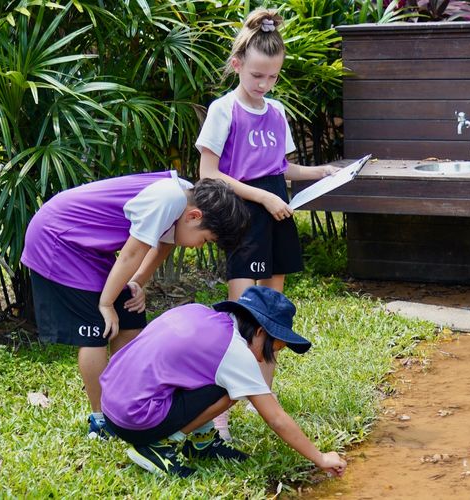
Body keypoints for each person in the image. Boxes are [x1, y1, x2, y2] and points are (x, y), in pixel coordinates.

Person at [196, 8, 340, 439]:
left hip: (277, 214)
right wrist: (262, 196)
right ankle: (218, 414)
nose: (264, 85)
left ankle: (263, 402)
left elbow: (282, 168)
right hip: (246, 217)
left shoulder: (275, 112)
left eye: (273, 77)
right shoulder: (224, 110)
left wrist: (320, 172)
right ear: (238, 64)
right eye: (257, 75)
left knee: (270, 321)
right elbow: (208, 173)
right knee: (243, 317)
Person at [20, 171, 249, 439]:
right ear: (194, 216)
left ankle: (123, 405)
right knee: (97, 330)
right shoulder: (168, 198)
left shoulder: (184, 196)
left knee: (130, 318)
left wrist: (138, 282)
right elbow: (131, 253)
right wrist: (106, 304)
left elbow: (163, 245)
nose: (200, 246)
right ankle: (102, 420)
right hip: (59, 239)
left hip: (89, 247)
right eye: (206, 240)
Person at [100, 286, 347, 478]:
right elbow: (276, 418)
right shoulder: (234, 352)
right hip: (136, 419)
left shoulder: (200, 312)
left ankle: (202, 443)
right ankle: (157, 447)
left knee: (215, 379)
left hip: (112, 404)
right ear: (260, 332)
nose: (269, 357)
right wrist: (321, 458)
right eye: (277, 348)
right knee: (231, 390)